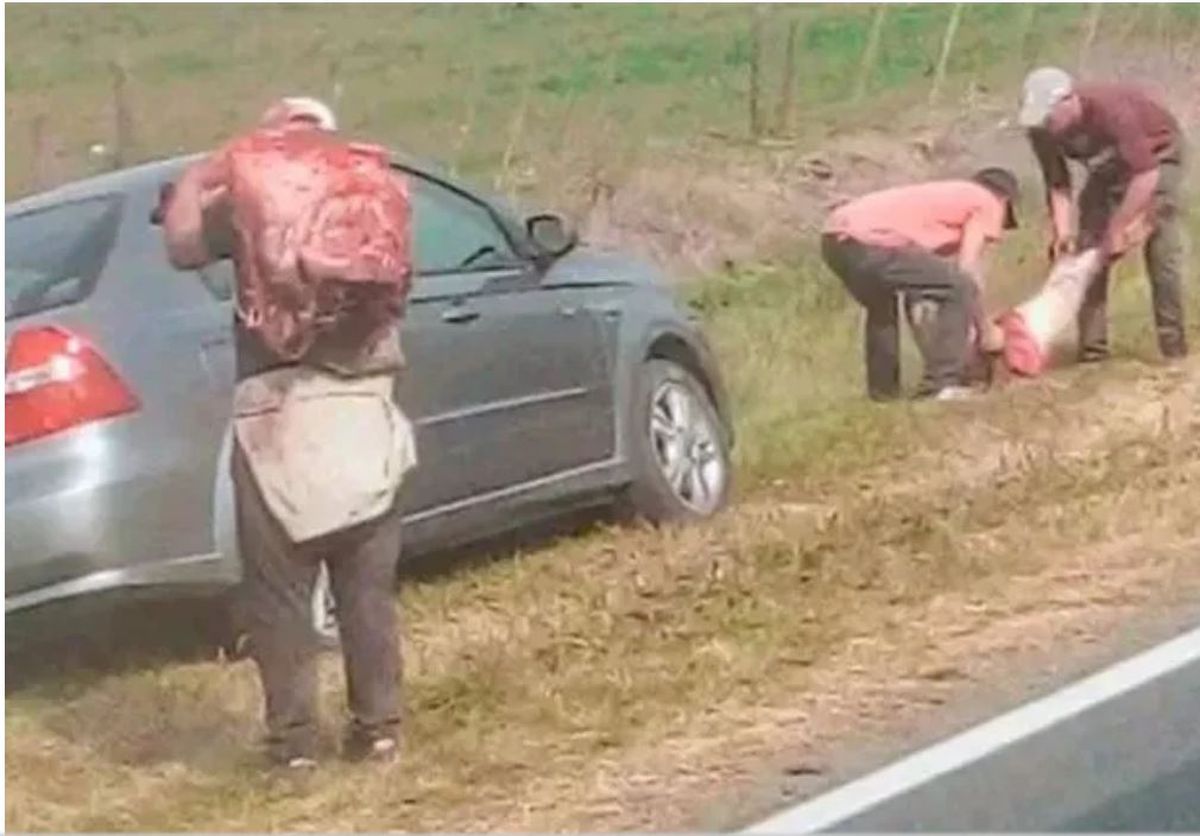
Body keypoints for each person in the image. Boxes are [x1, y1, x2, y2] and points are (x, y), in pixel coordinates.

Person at [159, 97, 416, 769]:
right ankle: (379, 730)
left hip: (277, 410)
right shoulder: (376, 185)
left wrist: (194, 181)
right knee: (366, 586)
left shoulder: (248, 192)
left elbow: (183, 245)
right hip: (366, 403)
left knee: (278, 594)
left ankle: (296, 744)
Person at [1018, 66, 1188, 364]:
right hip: (1109, 167)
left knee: (1161, 248)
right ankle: (1093, 352)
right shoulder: (1040, 129)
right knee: (1086, 248)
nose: (1045, 125)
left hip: (1158, 157)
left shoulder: (1112, 111)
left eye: (1049, 117)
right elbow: (1057, 182)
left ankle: (1173, 348)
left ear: (1068, 101)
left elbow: (1145, 176)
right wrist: (1062, 232)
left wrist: (1119, 229)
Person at [820, 168, 1020, 401]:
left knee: (882, 308)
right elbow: (966, 271)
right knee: (958, 287)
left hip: (834, 241)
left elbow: (923, 292)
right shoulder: (986, 201)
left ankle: (883, 395)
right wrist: (986, 330)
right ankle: (941, 385)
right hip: (869, 240)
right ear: (1005, 200)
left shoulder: (947, 198)